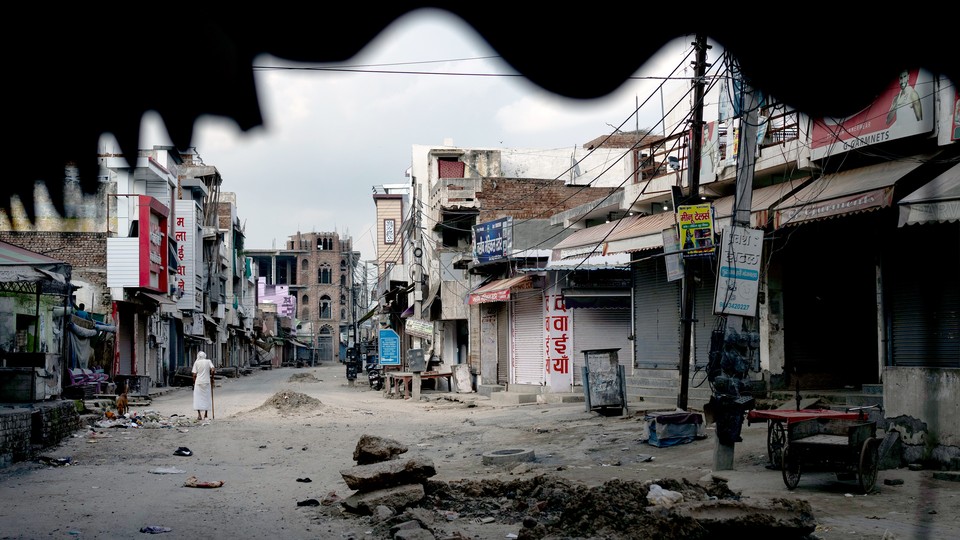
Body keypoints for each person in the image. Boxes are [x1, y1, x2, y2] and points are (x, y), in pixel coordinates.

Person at [191, 351, 215, 420]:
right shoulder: (208, 361)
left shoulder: (196, 362)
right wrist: (212, 378)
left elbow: (194, 374)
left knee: (198, 398)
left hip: (198, 382)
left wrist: (194, 382)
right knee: (206, 397)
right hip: (207, 382)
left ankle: (199, 415)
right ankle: (206, 415)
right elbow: (213, 369)